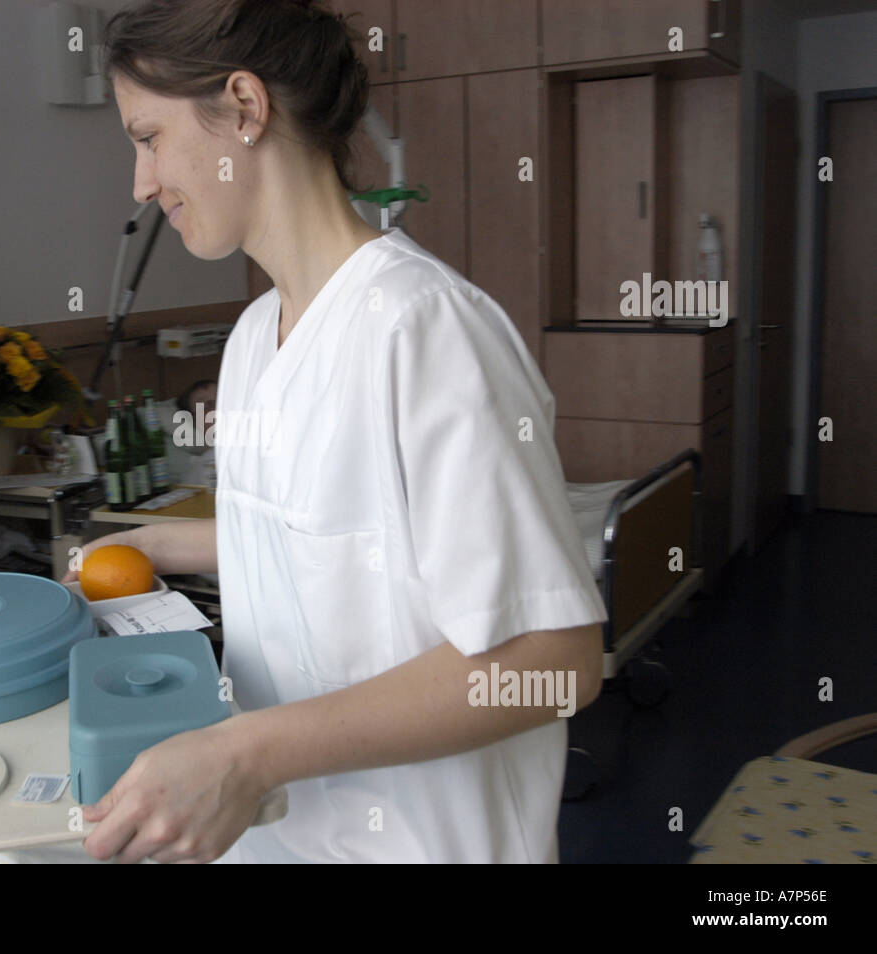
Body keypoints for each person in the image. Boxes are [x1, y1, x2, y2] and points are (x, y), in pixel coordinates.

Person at [60, 0, 608, 864]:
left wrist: (245, 753)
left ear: (243, 107)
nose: (140, 182)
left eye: (147, 137)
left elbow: (553, 660)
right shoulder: (252, 339)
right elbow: (332, 543)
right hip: (279, 839)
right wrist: (164, 542)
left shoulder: (422, 330)